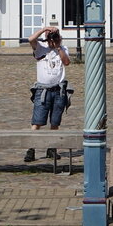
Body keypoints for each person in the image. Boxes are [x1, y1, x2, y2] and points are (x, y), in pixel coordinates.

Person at [24, 25, 71, 163]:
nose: (52, 40)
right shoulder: (40, 48)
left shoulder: (63, 49)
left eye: (55, 36)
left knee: (55, 122)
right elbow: (30, 39)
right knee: (37, 122)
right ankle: (31, 149)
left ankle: (52, 148)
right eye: (50, 37)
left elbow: (66, 62)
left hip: (58, 91)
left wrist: (58, 46)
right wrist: (45, 29)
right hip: (43, 91)